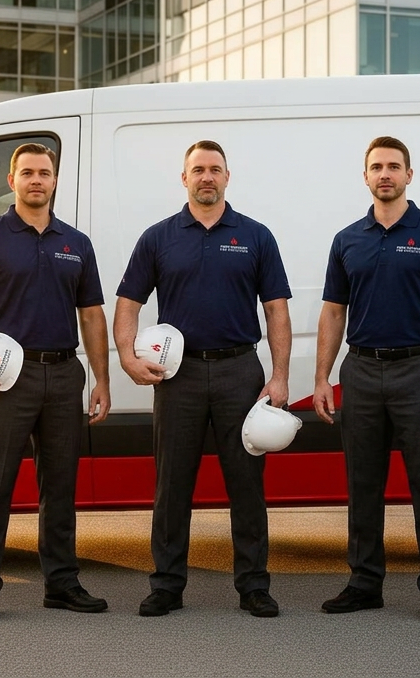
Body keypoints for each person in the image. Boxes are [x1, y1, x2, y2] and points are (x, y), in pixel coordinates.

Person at [114, 140, 292, 618]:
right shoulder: (158, 237)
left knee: (247, 485)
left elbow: (276, 310)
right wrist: (128, 358)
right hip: (179, 376)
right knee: (172, 485)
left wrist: (279, 376)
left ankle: (254, 586)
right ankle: (167, 585)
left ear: (227, 177)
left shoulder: (256, 236)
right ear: (184, 178)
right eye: (198, 170)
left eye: (215, 169)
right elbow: (128, 302)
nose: (206, 177)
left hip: (241, 373)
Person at [311, 135, 420, 623]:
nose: (385, 174)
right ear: (365, 177)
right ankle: (365, 583)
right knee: (363, 483)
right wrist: (321, 377)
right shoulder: (347, 239)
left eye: (394, 166)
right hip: (360, 371)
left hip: (419, 371)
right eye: (377, 167)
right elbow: (332, 311)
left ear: (409, 175)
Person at [0, 143, 112, 623]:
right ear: (12, 181)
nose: (36, 180)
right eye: (27, 173)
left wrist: (100, 379)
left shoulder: (76, 243)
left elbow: (92, 315)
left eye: (45, 173)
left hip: (63, 374)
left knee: (60, 487)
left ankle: (61, 584)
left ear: (55, 181)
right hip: (5, 381)